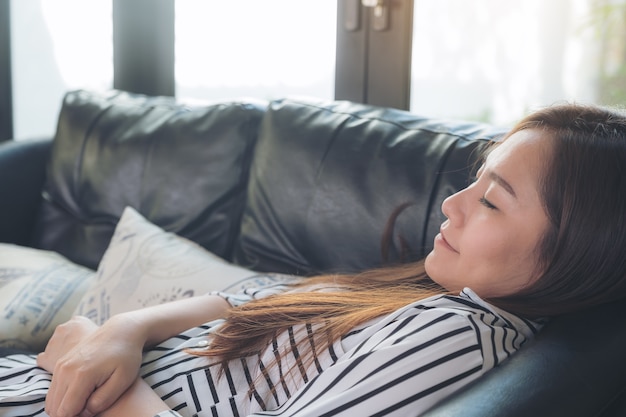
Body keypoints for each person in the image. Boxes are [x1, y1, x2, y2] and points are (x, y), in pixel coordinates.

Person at [1, 103, 626, 417]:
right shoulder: (433, 291)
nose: (452, 205)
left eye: (491, 201)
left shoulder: (459, 334)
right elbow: (252, 296)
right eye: (474, 181)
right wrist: (120, 331)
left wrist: (84, 365)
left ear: (573, 252)